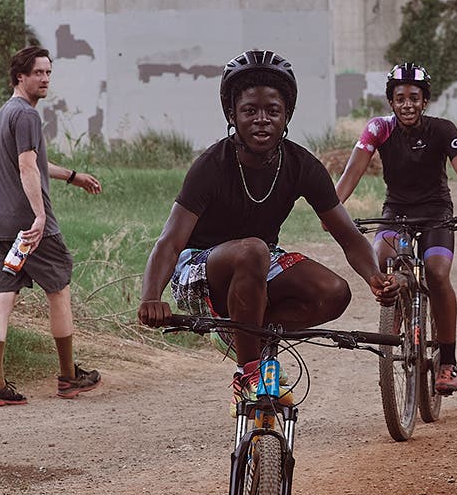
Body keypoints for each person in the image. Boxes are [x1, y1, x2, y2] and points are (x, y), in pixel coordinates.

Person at [136, 49, 398, 395]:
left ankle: (243, 333)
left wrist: (375, 278)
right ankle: (249, 370)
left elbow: (348, 236)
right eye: (249, 110)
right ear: (232, 114)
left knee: (334, 293)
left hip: (258, 263)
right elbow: (169, 243)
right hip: (200, 269)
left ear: (286, 115)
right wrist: (150, 296)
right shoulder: (211, 166)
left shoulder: (301, 165)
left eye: (273, 111)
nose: (262, 119)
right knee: (254, 250)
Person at [333, 62, 457, 395]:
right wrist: (331, 207)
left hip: (436, 213)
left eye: (414, 97)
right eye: (400, 97)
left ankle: (448, 360)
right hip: (396, 211)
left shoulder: (443, 129)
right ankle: (399, 305)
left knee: (437, 272)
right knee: (380, 257)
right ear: (391, 101)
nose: (407, 104)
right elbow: (352, 173)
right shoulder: (378, 129)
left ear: (425, 101)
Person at [0, 46, 104, 406]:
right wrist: (39, 217)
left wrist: (72, 176)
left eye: (49, 73)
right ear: (20, 76)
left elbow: (36, 162)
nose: (46, 79)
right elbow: (26, 167)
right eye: (39, 73)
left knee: (2, 300)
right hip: (32, 227)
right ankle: (69, 377)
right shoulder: (28, 117)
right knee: (59, 291)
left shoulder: (7, 113)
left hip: (0, 225)